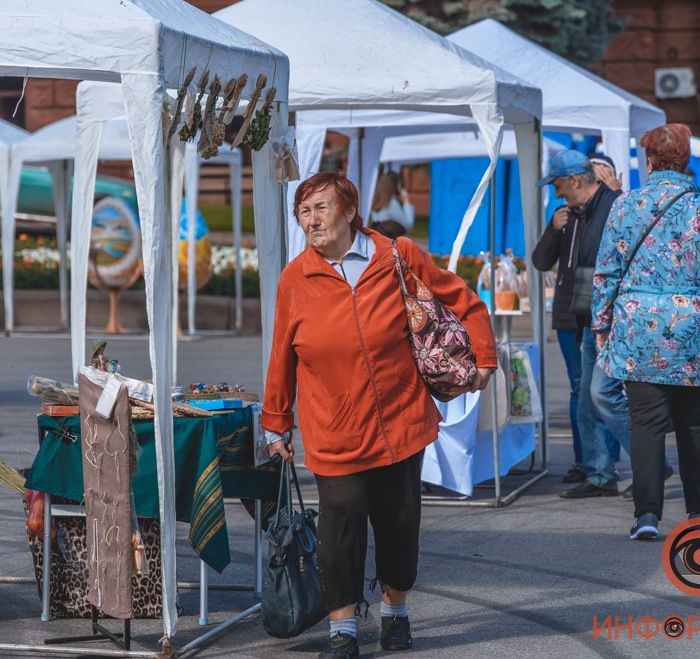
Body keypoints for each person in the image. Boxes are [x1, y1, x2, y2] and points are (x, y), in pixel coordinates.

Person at [262, 172, 497, 658]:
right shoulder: (295, 278)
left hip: (400, 419)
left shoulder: (396, 255)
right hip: (335, 424)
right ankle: (342, 628)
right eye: (304, 212)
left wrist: (485, 357)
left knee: (399, 521)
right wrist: (275, 420)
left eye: (322, 208)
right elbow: (281, 353)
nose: (312, 220)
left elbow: (462, 299)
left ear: (349, 210)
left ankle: (396, 613)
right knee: (338, 527)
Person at [591, 123, 700, 540]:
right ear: (687, 159)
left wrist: (602, 324)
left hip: (639, 328)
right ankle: (699, 509)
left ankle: (647, 515)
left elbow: (606, 272)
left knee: (646, 423)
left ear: (650, 161)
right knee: (695, 422)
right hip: (693, 330)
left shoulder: (625, 206)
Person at [535, 150, 633, 498]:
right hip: (585, 318)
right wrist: (553, 228)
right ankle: (599, 472)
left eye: (559, 184)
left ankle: (646, 460)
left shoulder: (614, 207)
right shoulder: (573, 214)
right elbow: (541, 260)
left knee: (599, 394)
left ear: (575, 180)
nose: (557, 192)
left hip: (608, 320)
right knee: (587, 397)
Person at [368, 171, 415, 238]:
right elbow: (408, 225)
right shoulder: (391, 203)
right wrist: (406, 202)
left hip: (380, 240)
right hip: (392, 242)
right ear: (396, 186)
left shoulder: (376, 201)